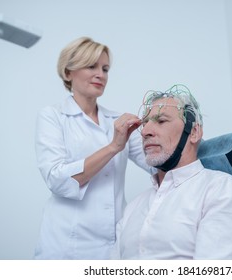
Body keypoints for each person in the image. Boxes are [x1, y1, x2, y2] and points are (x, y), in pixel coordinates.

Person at [34, 37, 152, 259]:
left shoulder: (116, 120)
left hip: (113, 246)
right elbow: (57, 179)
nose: (101, 74)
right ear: (68, 73)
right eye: (91, 66)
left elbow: (155, 164)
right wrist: (113, 147)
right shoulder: (52, 116)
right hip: (66, 246)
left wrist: (167, 129)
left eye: (105, 69)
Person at [111, 84, 232, 259]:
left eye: (161, 121)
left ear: (194, 132)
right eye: (145, 123)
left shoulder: (221, 190)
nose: (145, 132)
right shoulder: (132, 209)